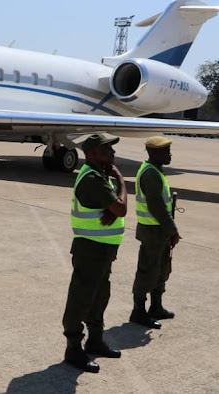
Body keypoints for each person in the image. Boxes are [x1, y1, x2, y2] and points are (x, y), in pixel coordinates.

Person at [62, 134, 127, 373]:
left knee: (99, 295)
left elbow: (115, 209)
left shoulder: (100, 176)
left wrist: (114, 207)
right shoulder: (93, 178)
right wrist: (121, 181)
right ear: (91, 154)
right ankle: (73, 349)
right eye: (107, 149)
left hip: (103, 249)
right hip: (90, 249)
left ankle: (95, 340)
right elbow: (120, 208)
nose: (112, 153)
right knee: (80, 299)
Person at [129, 136, 180, 329]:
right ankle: (138, 312)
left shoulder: (156, 171)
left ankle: (156, 306)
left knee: (161, 269)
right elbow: (157, 207)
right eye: (165, 151)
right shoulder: (151, 173)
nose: (169, 154)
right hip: (153, 230)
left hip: (159, 230)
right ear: (154, 153)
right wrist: (173, 230)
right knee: (147, 271)